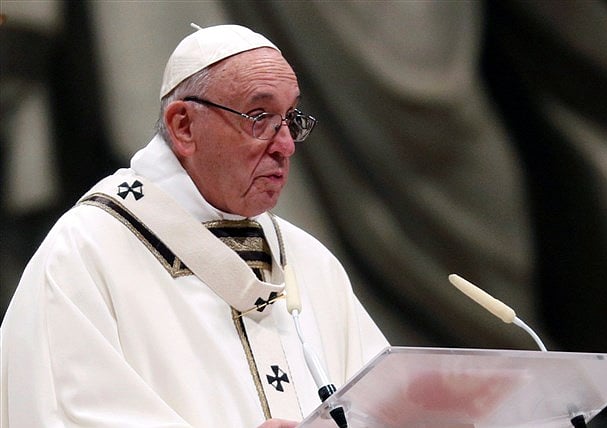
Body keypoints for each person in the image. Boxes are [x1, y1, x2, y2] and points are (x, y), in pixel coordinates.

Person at [0, 24, 389, 428]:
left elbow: (383, 407)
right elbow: (60, 415)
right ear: (183, 125)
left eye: (290, 118)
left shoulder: (309, 263)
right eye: (260, 117)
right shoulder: (84, 253)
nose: (286, 144)